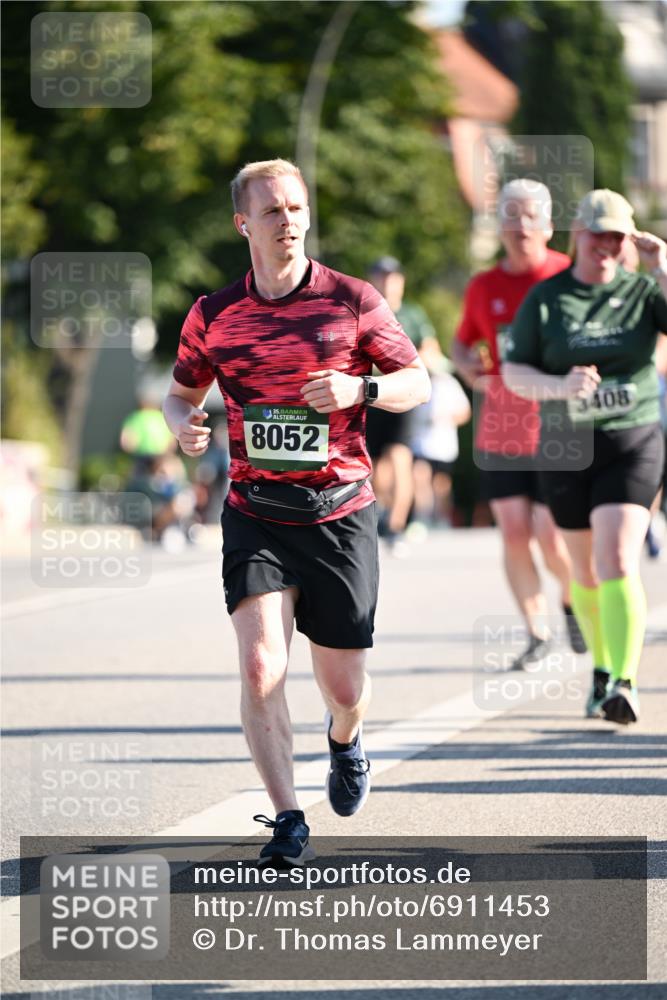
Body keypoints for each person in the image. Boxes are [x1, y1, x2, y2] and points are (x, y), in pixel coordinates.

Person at [163, 158, 430, 864]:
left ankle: (344, 738)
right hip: (257, 509)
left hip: (339, 511)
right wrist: (182, 424)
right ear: (242, 223)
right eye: (272, 210)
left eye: (296, 208)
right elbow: (180, 391)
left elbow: (418, 381)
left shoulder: (351, 299)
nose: (287, 221)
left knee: (344, 686)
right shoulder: (214, 315)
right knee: (260, 668)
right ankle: (287, 818)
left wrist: (358, 391)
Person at [503, 188, 667, 724]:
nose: (606, 245)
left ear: (628, 241)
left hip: (632, 439)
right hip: (566, 444)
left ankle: (624, 680)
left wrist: (661, 269)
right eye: (598, 234)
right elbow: (514, 371)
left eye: (617, 236)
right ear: (578, 234)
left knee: (617, 557)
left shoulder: (645, 291)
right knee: (583, 572)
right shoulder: (547, 299)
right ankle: (601, 668)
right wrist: (559, 385)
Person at [451, 179, 585, 669]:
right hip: (501, 427)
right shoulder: (483, 287)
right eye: (512, 214)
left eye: (532, 215)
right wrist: (470, 371)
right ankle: (536, 631)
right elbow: (462, 343)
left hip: (558, 428)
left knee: (552, 535)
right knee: (512, 531)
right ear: (500, 224)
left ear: (549, 225)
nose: (522, 225)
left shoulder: (569, 276)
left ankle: (572, 601)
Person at [365, 257, 440, 555]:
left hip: (401, 394)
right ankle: (381, 513)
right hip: (370, 395)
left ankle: (396, 527)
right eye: (381, 276)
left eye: (392, 277)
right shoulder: (365, 311)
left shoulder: (412, 314)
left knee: (400, 458)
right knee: (373, 466)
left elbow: (430, 350)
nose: (387, 282)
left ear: (401, 281)